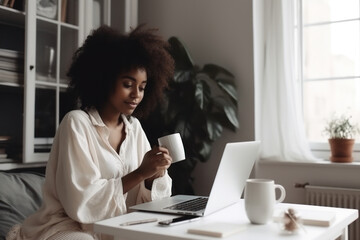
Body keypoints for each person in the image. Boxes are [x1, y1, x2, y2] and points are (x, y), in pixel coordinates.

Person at [7, 25, 175, 240]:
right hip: (69, 226)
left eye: (142, 87)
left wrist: (154, 176)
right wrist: (140, 173)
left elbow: (149, 203)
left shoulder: (135, 129)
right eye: (127, 84)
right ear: (104, 80)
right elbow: (82, 201)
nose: (136, 94)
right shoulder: (76, 123)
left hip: (118, 225)